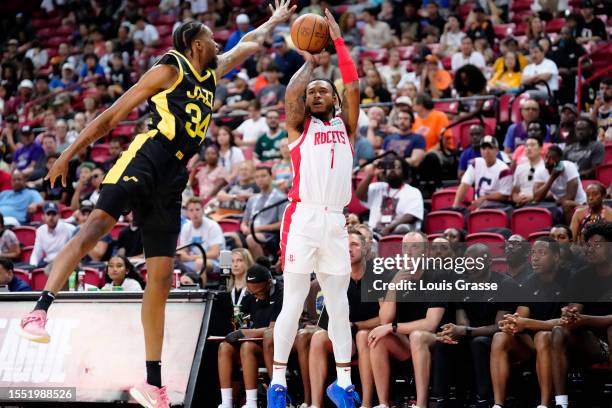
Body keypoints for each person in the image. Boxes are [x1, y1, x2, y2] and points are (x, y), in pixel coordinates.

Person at [18, 3, 297, 406]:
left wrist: (273, 22)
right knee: (95, 227)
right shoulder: (170, 68)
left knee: (161, 280)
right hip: (146, 158)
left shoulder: (210, 72)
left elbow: (247, 47)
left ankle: (153, 383)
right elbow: (112, 116)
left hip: (172, 178)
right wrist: (68, 153)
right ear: (194, 43)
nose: (218, 43)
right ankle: (40, 309)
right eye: (211, 38)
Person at [267, 9, 361, 408]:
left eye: (323, 91)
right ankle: (276, 384)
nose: (315, 94)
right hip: (302, 217)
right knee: (294, 299)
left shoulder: (347, 126)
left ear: (334, 99)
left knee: (339, 302)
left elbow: (354, 84)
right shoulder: (298, 128)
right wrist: (308, 62)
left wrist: (337, 43)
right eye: (312, 93)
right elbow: (291, 96)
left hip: (335, 221)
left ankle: (343, 382)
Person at [368, 232, 448, 408]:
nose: (409, 252)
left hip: (438, 340)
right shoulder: (392, 277)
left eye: (415, 247)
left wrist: (393, 327)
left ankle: (421, 404)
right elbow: (384, 320)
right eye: (406, 248)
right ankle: (383, 403)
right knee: (377, 338)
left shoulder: (438, 276)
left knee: (418, 336)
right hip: (406, 342)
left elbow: (431, 323)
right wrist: (393, 287)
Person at [490, 237, 568, 408]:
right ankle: (498, 404)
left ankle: (545, 403)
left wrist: (527, 323)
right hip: (532, 344)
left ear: (556, 256)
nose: (535, 257)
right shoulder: (529, 283)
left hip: (564, 342)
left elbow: (567, 321)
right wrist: (512, 322)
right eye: (533, 253)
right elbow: (521, 316)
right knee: (499, 337)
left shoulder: (569, 278)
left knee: (543, 336)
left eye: (542, 253)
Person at [435, 244, 515, 407]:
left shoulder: (505, 284)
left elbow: (499, 326)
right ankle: (442, 398)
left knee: (479, 343)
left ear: (489, 261)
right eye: (467, 261)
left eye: (476, 261)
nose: (470, 265)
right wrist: (453, 331)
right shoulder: (461, 285)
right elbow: (463, 321)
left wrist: (465, 331)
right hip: (471, 334)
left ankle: (484, 397)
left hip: (496, 337)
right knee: (443, 343)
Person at [308, 230, 379, 408]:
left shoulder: (378, 274)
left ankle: (367, 403)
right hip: (345, 337)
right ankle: (316, 404)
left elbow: (386, 318)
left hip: (373, 335)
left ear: (365, 248)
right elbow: (327, 321)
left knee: (363, 336)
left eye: (354, 244)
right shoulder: (336, 278)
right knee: (318, 338)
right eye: (344, 246)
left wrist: (355, 325)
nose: (348, 250)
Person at [552, 221, 612, 408]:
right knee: (558, 332)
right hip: (593, 343)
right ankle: (561, 402)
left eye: (598, 245)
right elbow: (576, 309)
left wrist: (586, 320)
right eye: (588, 245)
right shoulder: (580, 276)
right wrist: (570, 313)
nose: (591, 249)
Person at [218, 262, 283, 408]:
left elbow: (274, 329)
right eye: (252, 292)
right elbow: (241, 323)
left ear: (268, 283)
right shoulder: (249, 296)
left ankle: (251, 402)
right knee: (224, 347)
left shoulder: (281, 293)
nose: (256, 296)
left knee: (247, 347)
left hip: (273, 345)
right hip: (252, 342)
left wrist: (246, 333)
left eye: (259, 292)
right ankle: (227, 402)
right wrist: (238, 329)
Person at [357, 155, 424, 235]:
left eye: (397, 167)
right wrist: (371, 174)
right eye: (389, 167)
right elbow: (359, 195)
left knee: (402, 228)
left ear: (404, 171)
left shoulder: (413, 192)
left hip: (397, 235)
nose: (392, 169)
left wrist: (389, 228)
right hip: (373, 235)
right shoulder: (377, 187)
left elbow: (411, 215)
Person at [237, 166, 286, 259]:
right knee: (230, 237)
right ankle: (238, 269)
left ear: (272, 177)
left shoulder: (281, 198)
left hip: (270, 234)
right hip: (251, 231)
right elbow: (244, 221)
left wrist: (257, 229)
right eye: (257, 177)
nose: (260, 179)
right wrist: (244, 228)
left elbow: (282, 224)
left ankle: (261, 269)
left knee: (251, 238)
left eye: (263, 176)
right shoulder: (252, 199)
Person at [452, 136, 512, 210]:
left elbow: (504, 195)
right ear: (480, 151)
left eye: (490, 148)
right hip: (479, 204)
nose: (487, 151)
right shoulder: (476, 163)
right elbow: (464, 185)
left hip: (499, 206)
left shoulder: (504, 169)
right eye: (484, 148)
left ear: (497, 151)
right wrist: (455, 205)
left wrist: (484, 198)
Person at [533, 145, 587, 223]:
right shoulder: (540, 171)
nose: (547, 161)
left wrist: (555, 204)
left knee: (566, 204)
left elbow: (571, 196)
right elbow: (536, 198)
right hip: (558, 204)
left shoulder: (569, 167)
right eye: (546, 157)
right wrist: (552, 178)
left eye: (551, 158)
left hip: (578, 203)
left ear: (559, 160)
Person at [177, 197, 225, 283]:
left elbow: (215, 253)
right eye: (191, 210)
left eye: (197, 209)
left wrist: (190, 257)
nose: (195, 213)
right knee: (171, 261)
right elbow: (184, 250)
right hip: (192, 260)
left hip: (216, 262)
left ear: (202, 210)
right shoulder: (186, 227)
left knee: (200, 263)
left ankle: (201, 292)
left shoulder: (212, 226)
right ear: (187, 212)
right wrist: (182, 255)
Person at [30, 202, 76, 268]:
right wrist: (33, 265)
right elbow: (37, 253)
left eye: (54, 214)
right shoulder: (40, 231)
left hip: (64, 262)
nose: (51, 217)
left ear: (59, 216)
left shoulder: (69, 228)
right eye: (48, 214)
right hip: (48, 263)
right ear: (43, 217)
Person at [512, 134, 546, 207]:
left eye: (532, 145)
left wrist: (532, 197)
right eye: (527, 146)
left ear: (541, 148)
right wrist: (517, 199)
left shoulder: (547, 168)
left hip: (540, 204)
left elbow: (552, 192)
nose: (529, 148)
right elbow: (514, 192)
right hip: (521, 204)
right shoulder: (519, 168)